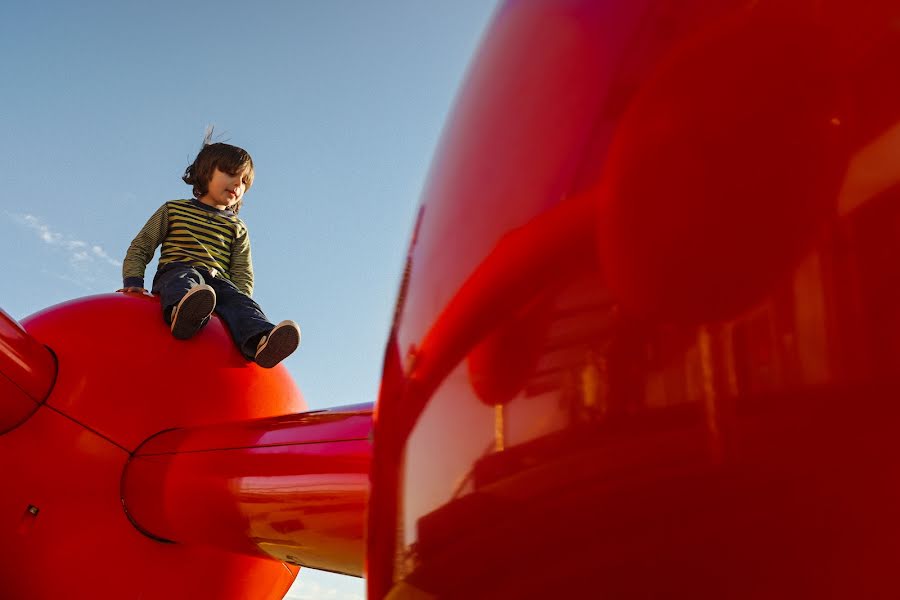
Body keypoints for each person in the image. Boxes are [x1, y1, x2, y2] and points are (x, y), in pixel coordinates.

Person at [119, 137, 300, 368]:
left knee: (242, 304)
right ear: (206, 172)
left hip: (220, 283)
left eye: (244, 181)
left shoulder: (237, 227)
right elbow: (142, 245)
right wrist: (133, 280)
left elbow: (242, 270)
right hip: (178, 270)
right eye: (230, 173)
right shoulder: (173, 209)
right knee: (185, 279)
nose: (237, 185)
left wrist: (241, 297)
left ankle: (260, 342)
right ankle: (182, 313)